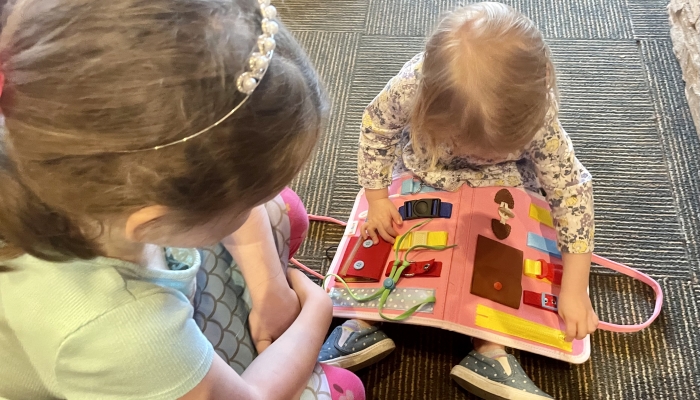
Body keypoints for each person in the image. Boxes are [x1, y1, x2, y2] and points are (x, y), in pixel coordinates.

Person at [0, 0, 364, 399]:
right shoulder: (120, 328)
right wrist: (317, 311)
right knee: (344, 390)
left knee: (284, 210)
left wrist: (269, 287)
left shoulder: (48, 137)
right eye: (244, 203)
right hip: (139, 358)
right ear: (151, 220)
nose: (254, 205)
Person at [319, 3, 597, 399]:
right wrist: (377, 197)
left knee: (501, 256)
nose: (475, 152)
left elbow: (571, 191)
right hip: (424, 170)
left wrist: (574, 285)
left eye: (492, 145)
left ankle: (490, 347)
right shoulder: (412, 85)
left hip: (504, 185)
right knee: (394, 236)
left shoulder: (540, 117)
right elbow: (376, 127)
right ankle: (362, 320)